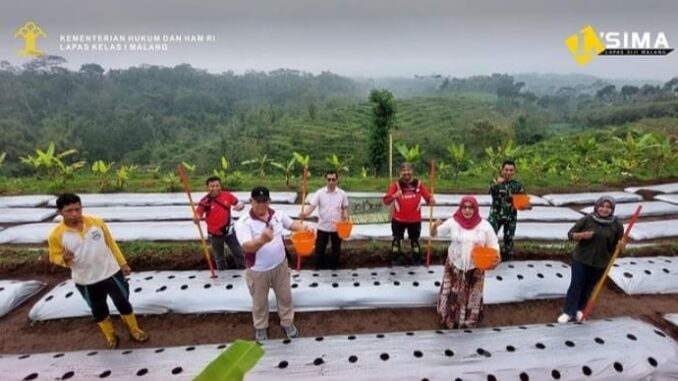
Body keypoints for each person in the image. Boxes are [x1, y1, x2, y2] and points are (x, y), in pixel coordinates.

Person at [48, 193, 149, 349]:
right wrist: (64, 259)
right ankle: (110, 335)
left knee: (123, 302)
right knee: (99, 309)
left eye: (77, 209)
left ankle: (134, 330)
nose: (75, 214)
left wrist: (123, 264)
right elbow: (53, 256)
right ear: (60, 212)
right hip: (86, 280)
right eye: (69, 211)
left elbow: (111, 244)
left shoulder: (97, 223)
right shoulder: (56, 235)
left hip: (111, 273)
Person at [235, 186, 315, 341]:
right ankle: (261, 326)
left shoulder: (277, 215)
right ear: (251, 201)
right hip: (258, 270)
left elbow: (292, 225)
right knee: (259, 302)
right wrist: (262, 240)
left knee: (285, 297)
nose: (261, 205)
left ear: (269, 201)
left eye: (264, 201)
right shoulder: (244, 222)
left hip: (280, 266)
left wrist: (306, 228)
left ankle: (287, 322)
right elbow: (246, 247)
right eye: (257, 201)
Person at [431, 196, 499, 329]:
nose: (467, 210)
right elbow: (435, 234)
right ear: (460, 208)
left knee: (472, 295)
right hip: (455, 266)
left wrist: (496, 258)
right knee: (453, 294)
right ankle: (449, 320)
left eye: (470, 207)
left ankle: (468, 322)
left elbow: (494, 245)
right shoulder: (453, 222)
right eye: (464, 207)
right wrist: (434, 225)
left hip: (475, 268)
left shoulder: (485, 226)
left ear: (475, 209)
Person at [557, 196, 625, 324]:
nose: (604, 209)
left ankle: (580, 310)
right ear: (597, 206)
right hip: (581, 259)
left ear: (612, 209)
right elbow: (570, 235)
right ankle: (568, 311)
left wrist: (621, 247)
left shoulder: (617, 225)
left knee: (588, 287)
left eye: (608, 207)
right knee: (576, 285)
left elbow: (617, 246)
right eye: (602, 206)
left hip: (601, 262)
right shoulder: (587, 220)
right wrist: (582, 235)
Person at [383, 162, 434, 266]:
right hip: (398, 219)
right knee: (396, 241)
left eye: (408, 170)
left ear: (412, 172)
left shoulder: (419, 184)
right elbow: (386, 201)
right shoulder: (395, 185)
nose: (406, 173)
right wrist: (394, 196)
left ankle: (416, 262)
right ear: (400, 173)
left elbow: (429, 200)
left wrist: (432, 200)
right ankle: (395, 261)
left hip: (414, 220)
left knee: (415, 242)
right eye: (404, 171)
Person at [299, 170, 349, 270]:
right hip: (323, 226)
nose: (331, 182)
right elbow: (312, 207)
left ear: (337, 180)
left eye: (333, 179)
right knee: (319, 249)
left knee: (336, 249)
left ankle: (334, 266)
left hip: (337, 227)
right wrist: (304, 214)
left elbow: (344, 208)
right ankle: (319, 267)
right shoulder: (320, 193)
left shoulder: (342, 194)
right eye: (329, 179)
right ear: (326, 180)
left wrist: (345, 217)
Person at [194, 176, 246, 270]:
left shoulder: (227, 195)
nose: (215, 188)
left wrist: (240, 206)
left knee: (238, 252)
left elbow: (239, 203)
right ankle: (222, 275)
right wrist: (197, 218)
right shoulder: (205, 201)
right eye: (212, 186)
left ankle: (243, 271)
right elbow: (199, 212)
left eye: (217, 185)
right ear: (207, 187)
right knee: (219, 257)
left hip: (229, 231)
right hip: (215, 234)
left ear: (220, 186)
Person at [488, 159, 530, 261]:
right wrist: (496, 183)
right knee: (490, 236)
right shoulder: (496, 182)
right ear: (502, 170)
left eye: (511, 170)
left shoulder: (517, 185)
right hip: (496, 216)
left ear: (514, 171)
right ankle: (489, 258)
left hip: (511, 216)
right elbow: (489, 190)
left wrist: (526, 206)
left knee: (509, 239)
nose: (508, 172)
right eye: (506, 170)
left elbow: (523, 200)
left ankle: (508, 259)